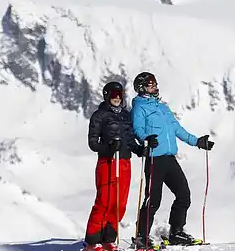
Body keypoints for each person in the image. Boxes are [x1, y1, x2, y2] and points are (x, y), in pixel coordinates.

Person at [131, 72, 214, 248]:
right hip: (154, 159)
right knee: (153, 200)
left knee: (183, 194)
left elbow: (177, 128)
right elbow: (137, 129)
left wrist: (197, 142)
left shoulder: (162, 107)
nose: (154, 87)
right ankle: (141, 237)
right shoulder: (139, 107)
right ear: (141, 88)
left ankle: (176, 233)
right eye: (150, 84)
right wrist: (147, 139)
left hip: (169, 158)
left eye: (154, 83)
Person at [84, 81, 145, 251]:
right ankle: (92, 242)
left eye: (120, 95)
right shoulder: (99, 115)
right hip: (108, 162)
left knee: (119, 203)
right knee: (104, 201)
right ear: (106, 96)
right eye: (113, 95)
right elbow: (92, 143)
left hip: (124, 162)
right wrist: (108, 148)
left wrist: (140, 150)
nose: (117, 98)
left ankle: (108, 240)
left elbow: (130, 139)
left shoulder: (126, 115)